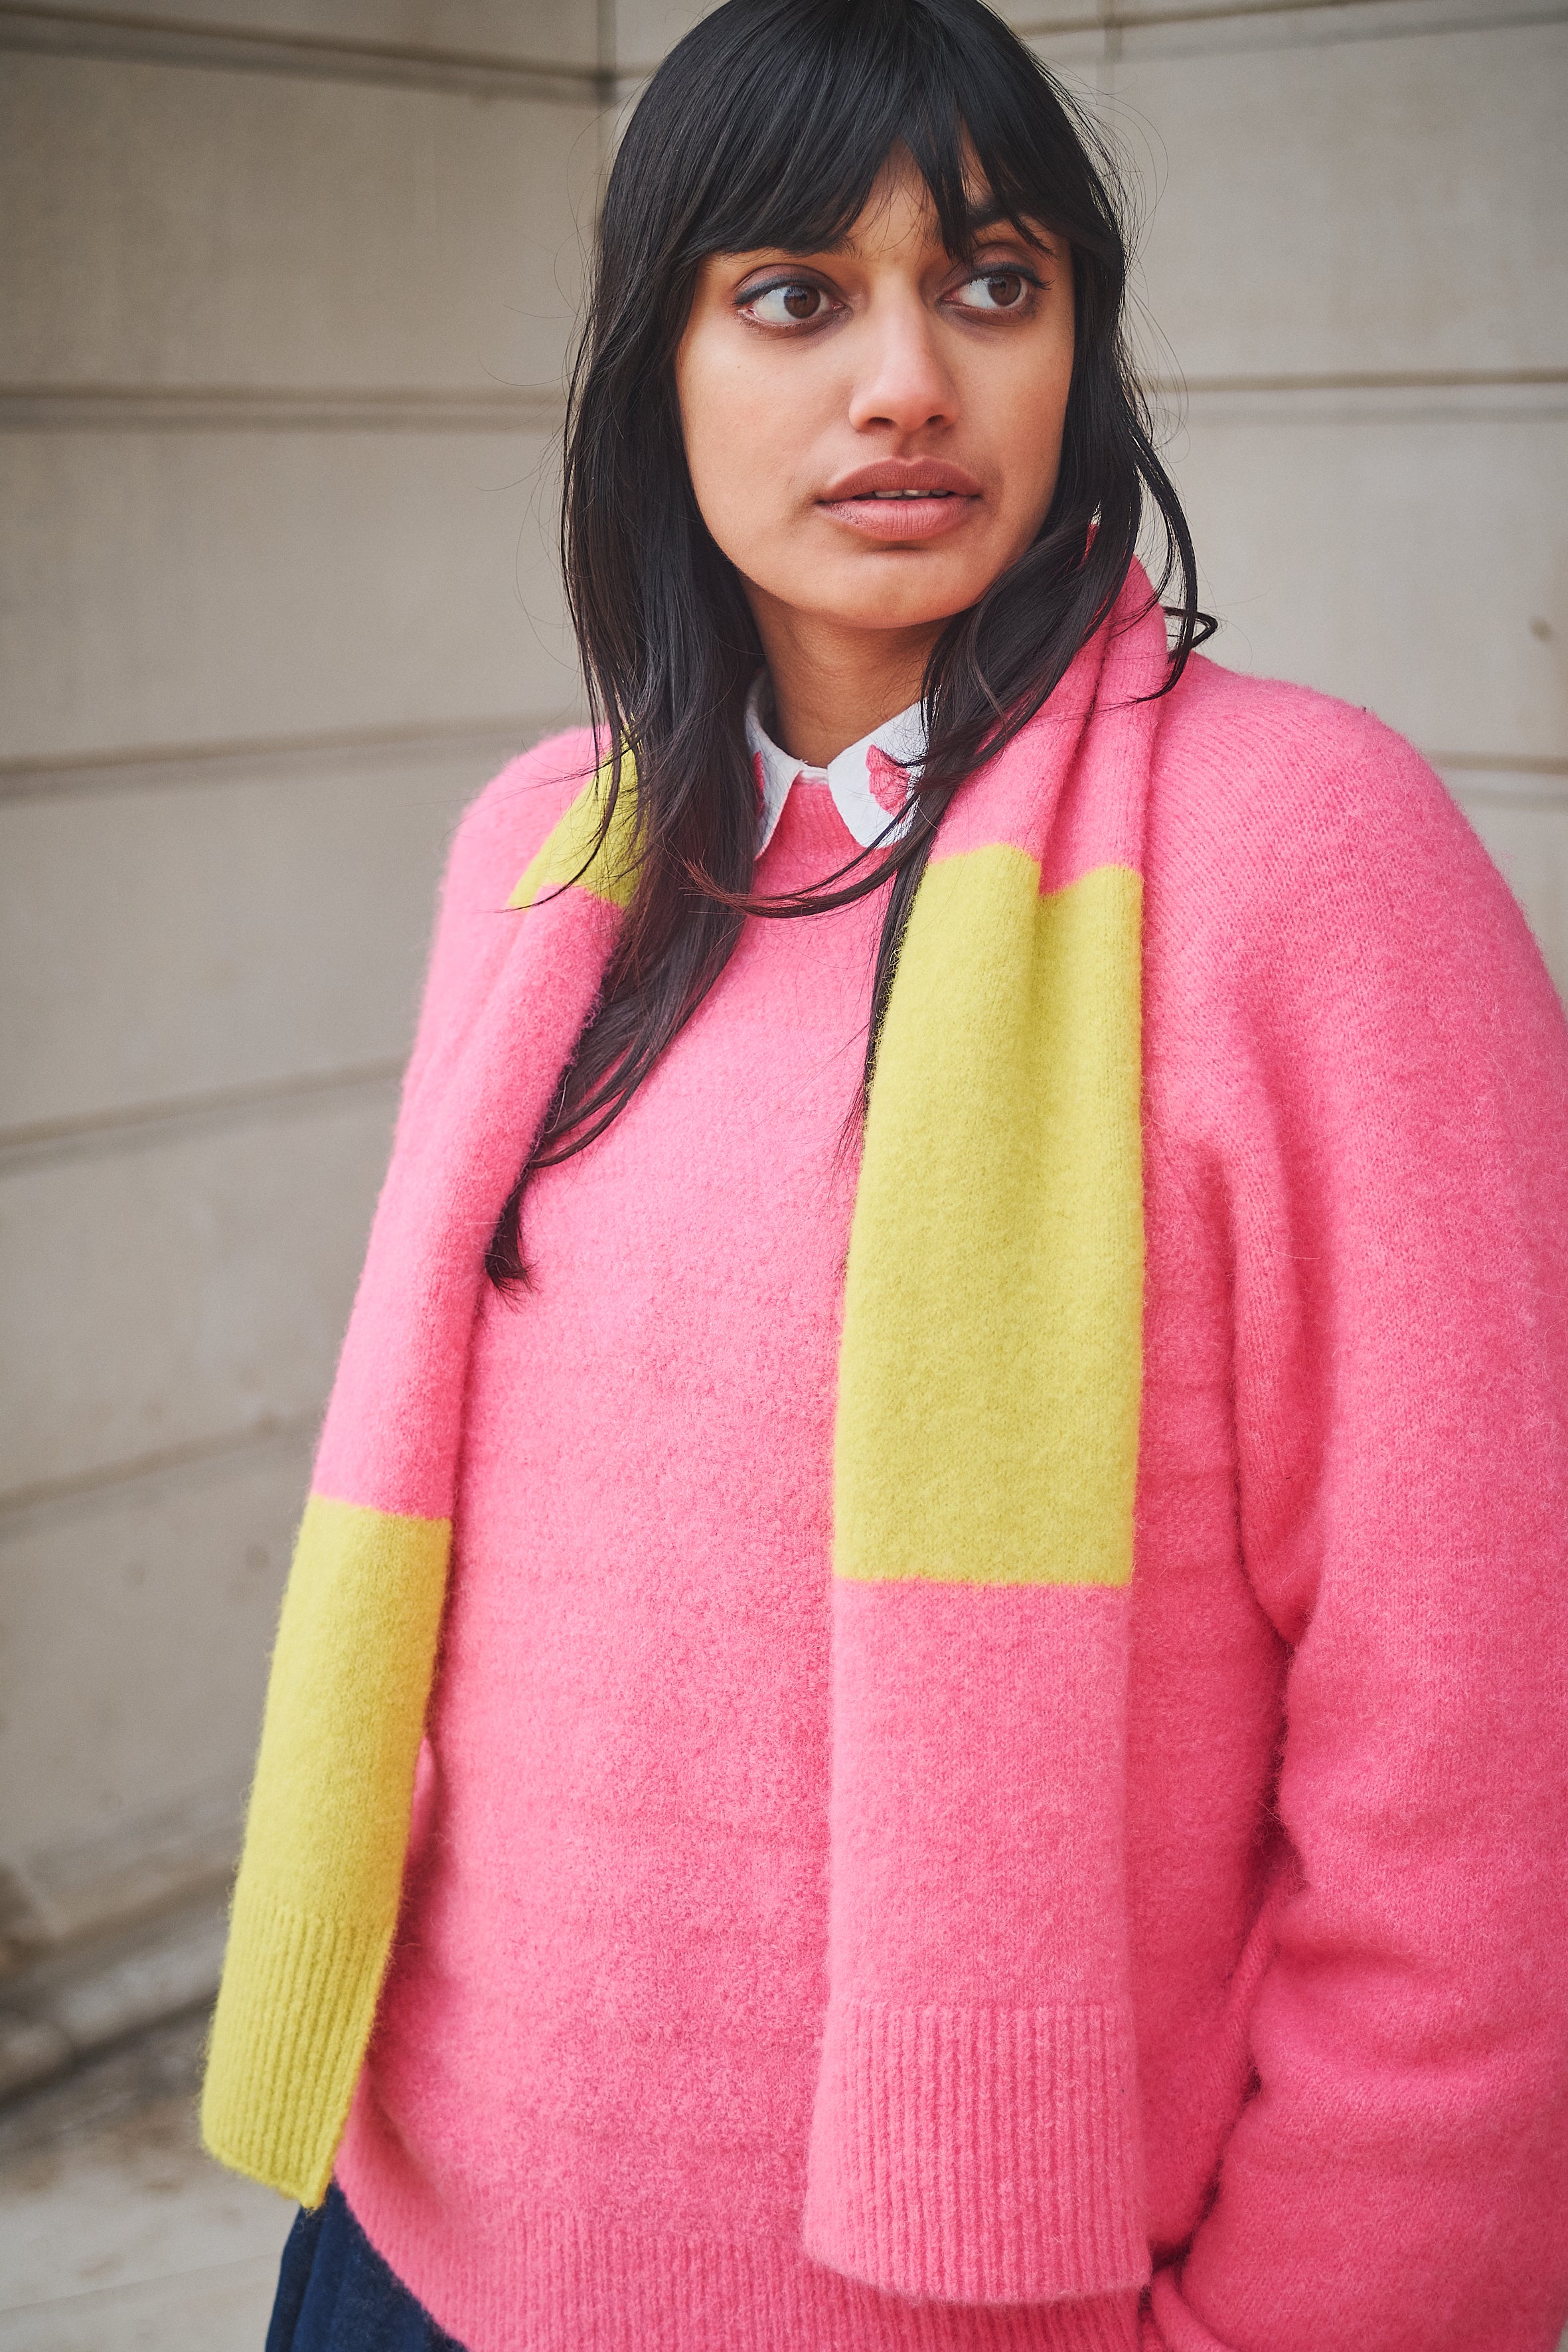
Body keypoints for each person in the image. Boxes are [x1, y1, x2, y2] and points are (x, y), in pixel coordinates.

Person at [200, 2, 1568, 2347]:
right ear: (658, 368)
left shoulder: (1303, 863)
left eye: (990, 282)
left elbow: (1489, 1751)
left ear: (1077, 350)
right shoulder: (545, 862)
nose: (907, 381)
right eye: (795, 295)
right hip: (408, 2250)